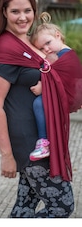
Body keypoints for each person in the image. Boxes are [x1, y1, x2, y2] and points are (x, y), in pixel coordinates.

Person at [0, 0, 82, 218]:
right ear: (4, 12)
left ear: (34, 11)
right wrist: (6, 156)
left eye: (27, 10)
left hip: (42, 141)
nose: (22, 17)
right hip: (30, 146)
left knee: (24, 207)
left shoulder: (32, 40)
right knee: (61, 207)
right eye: (15, 11)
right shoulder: (4, 48)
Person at [28, 12, 71, 161]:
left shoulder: (65, 55)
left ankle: (43, 143)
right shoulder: (57, 54)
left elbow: (61, 80)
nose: (46, 49)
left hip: (61, 97)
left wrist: (43, 88)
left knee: (39, 103)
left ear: (58, 35)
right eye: (42, 48)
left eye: (48, 43)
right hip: (58, 96)